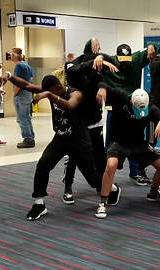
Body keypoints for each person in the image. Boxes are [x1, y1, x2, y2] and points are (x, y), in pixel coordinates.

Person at [3, 74, 104, 221]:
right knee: (43, 165)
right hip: (60, 139)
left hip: (79, 141)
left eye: (51, 91)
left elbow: (69, 105)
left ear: (58, 87)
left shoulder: (75, 93)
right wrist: (10, 76)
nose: (48, 94)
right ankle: (39, 204)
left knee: (92, 178)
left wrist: (49, 95)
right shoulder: (50, 91)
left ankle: (111, 189)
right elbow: (27, 85)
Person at [94, 87, 160, 219]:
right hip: (119, 143)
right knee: (111, 166)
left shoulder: (149, 106)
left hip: (139, 144)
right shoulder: (121, 98)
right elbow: (104, 84)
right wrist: (101, 88)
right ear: (131, 102)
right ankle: (102, 203)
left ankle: (153, 192)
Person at [60, 42, 118, 205]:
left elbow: (101, 79)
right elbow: (73, 70)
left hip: (94, 120)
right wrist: (93, 62)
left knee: (100, 155)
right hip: (77, 121)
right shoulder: (74, 64)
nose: (98, 51)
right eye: (96, 48)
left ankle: (101, 185)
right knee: (73, 156)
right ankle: (68, 187)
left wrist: (103, 87)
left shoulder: (96, 67)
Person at [99, 43, 157, 185]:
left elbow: (152, 49)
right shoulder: (110, 61)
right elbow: (92, 59)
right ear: (116, 58)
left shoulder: (136, 58)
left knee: (135, 141)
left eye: (127, 60)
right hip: (116, 109)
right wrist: (99, 57)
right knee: (113, 143)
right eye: (122, 60)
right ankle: (107, 175)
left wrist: (151, 46)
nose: (125, 63)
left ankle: (135, 172)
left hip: (134, 108)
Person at [10, 48, 35, 148]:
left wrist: (14, 94)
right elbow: (30, 79)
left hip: (21, 95)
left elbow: (18, 83)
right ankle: (31, 137)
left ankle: (28, 139)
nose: (10, 56)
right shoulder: (27, 65)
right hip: (27, 94)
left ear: (15, 55)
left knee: (22, 118)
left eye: (11, 54)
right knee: (26, 117)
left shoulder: (19, 66)